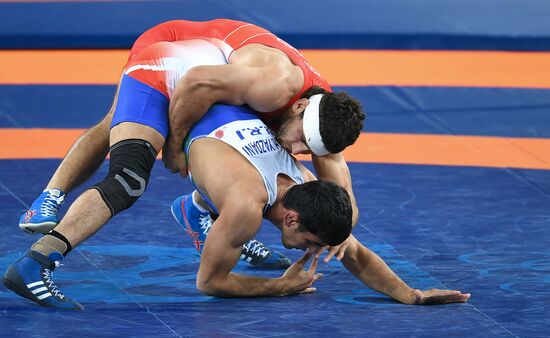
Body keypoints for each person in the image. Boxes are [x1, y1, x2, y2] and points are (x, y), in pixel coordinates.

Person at [4, 103, 470, 307]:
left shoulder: (308, 187)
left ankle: (199, 208)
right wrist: (278, 288)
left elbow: (354, 251)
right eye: (307, 243)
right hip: (176, 93)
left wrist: (410, 293)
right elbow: (209, 282)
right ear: (290, 217)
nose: (305, 251)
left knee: (218, 196)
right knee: (125, 178)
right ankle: (39, 254)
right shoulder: (249, 206)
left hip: (224, 120)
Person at [18, 19, 366, 268]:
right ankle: (50, 195)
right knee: (117, 127)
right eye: (301, 139)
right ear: (299, 107)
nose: (297, 148)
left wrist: (339, 232)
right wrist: (174, 146)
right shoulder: (272, 85)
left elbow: (342, 192)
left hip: (215, 74)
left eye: (309, 148)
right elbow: (195, 84)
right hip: (178, 50)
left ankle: (201, 211)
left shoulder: (326, 121)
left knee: (262, 165)